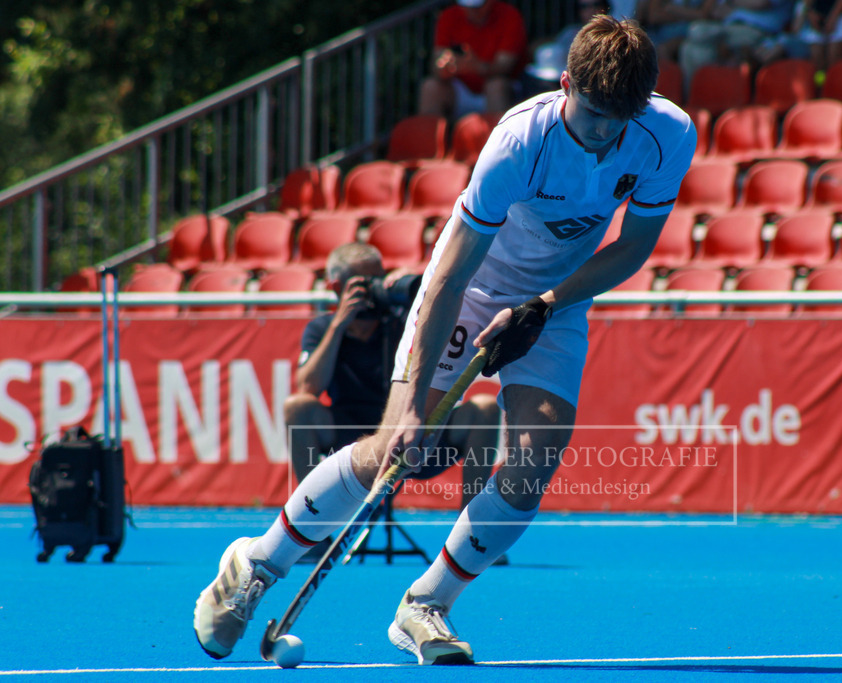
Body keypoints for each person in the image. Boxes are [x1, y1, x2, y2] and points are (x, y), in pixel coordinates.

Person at [194, 15, 697, 665]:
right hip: (473, 286)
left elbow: (632, 248)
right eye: (594, 114)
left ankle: (425, 604)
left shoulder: (666, 134)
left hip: (557, 300)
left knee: (536, 456)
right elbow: (448, 277)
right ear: (566, 83)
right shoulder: (519, 142)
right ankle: (257, 562)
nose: (604, 136)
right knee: (392, 448)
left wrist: (543, 307)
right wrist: (408, 408)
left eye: (618, 120)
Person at [284, 243, 501, 562]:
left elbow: (443, 312)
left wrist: (413, 289)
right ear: (336, 287)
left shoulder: (403, 322)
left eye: (377, 280)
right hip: (352, 444)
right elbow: (309, 387)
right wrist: (339, 325)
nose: (371, 291)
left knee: (484, 407)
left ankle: (470, 536)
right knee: (297, 406)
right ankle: (313, 531)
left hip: (415, 433)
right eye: (362, 283)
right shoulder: (322, 328)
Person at [418, 0, 528, 119]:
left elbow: (504, 68)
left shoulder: (510, 15)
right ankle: (428, 136)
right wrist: (443, 69)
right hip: (461, 89)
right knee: (431, 87)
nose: (471, 11)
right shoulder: (449, 16)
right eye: (466, 6)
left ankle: (499, 135)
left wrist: (477, 66)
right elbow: (436, 63)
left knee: (495, 86)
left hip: (501, 92)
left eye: (477, 6)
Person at [680, 0, 795, 97]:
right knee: (688, 49)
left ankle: (698, 99)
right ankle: (693, 100)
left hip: (757, 31)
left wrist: (732, 3)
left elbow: (761, 3)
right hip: (729, 28)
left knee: (698, 31)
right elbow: (716, 11)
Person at [522, 0, 610, 98]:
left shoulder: (617, 34)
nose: (591, 10)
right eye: (584, 6)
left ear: (606, 7)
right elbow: (547, 49)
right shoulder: (570, 33)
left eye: (596, 5)